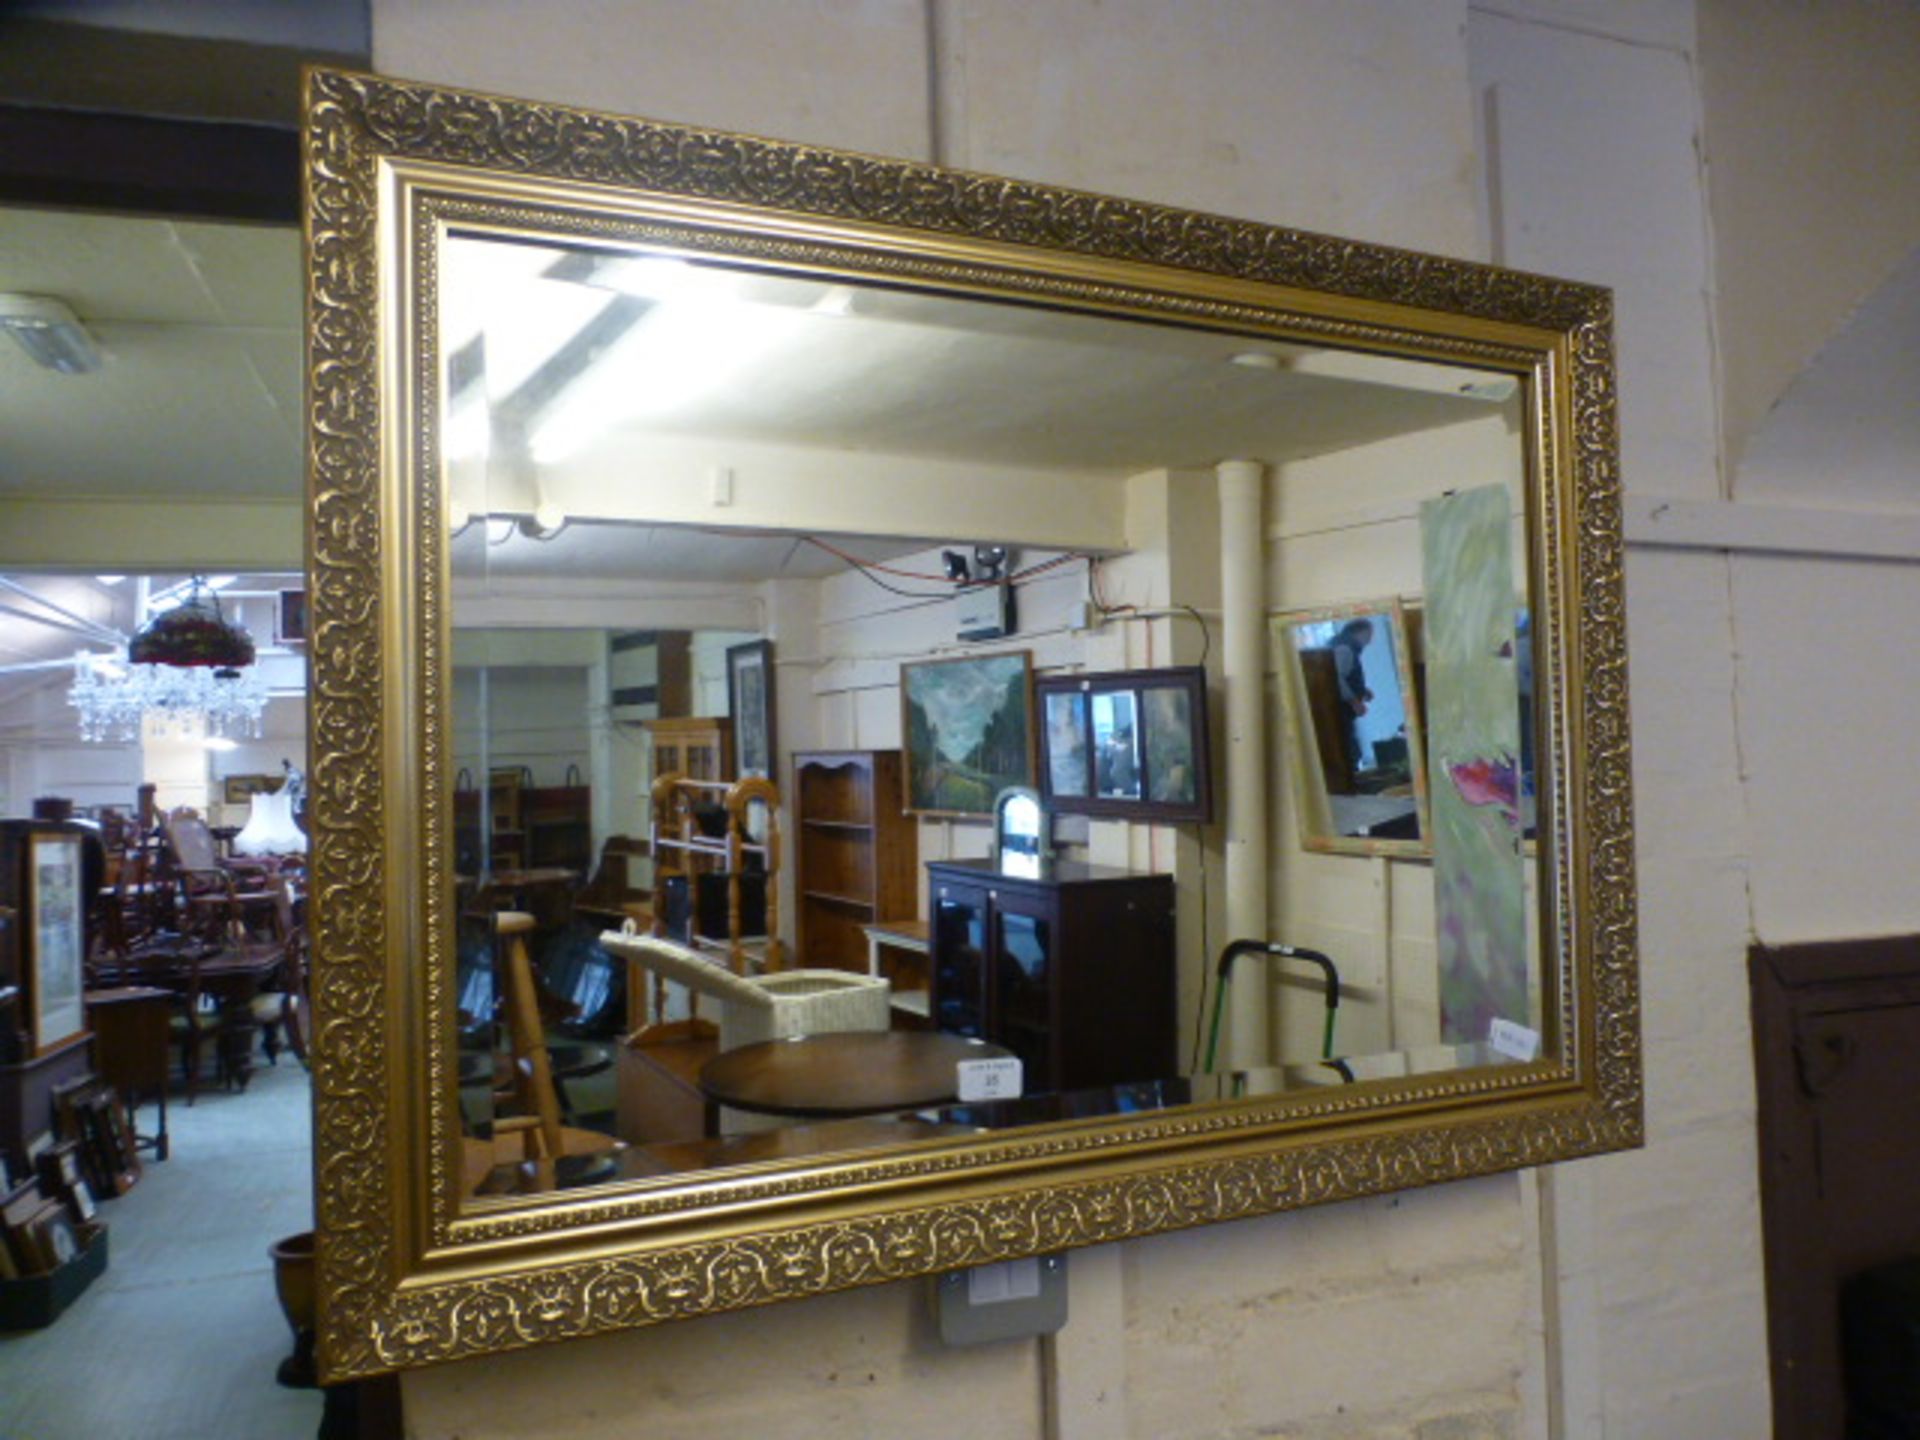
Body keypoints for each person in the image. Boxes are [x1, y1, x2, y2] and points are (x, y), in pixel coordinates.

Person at [1330, 618, 1375, 779]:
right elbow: (1337, 679)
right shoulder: (1345, 648)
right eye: (1370, 633)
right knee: (1348, 746)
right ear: (1360, 632)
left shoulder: (1342, 645)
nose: (1371, 638)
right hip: (1340, 708)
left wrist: (1363, 690)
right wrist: (1355, 701)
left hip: (1340, 708)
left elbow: (1345, 676)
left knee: (1348, 743)